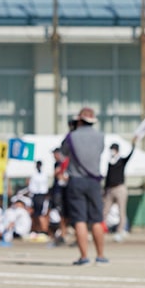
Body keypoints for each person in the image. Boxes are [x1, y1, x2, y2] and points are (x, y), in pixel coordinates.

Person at [61, 107, 107, 265]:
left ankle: (84, 256)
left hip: (76, 180)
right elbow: (99, 152)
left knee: (79, 219)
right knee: (97, 219)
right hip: (94, 180)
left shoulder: (71, 137)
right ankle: (100, 255)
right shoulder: (101, 137)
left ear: (79, 120)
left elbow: (63, 154)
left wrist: (72, 131)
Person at [103, 138, 136, 242]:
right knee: (104, 211)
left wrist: (133, 145)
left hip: (120, 188)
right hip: (109, 189)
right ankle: (102, 230)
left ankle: (120, 230)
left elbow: (129, 156)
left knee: (121, 211)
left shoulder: (121, 161)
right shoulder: (109, 162)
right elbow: (108, 177)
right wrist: (105, 190)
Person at [27, 160, 50, 235]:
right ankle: (37, 229)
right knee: (35, 214)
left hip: (41, 195)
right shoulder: (34, 174)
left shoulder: (44, 174)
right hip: (35, 195)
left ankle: (44, 230)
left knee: (41, 214)